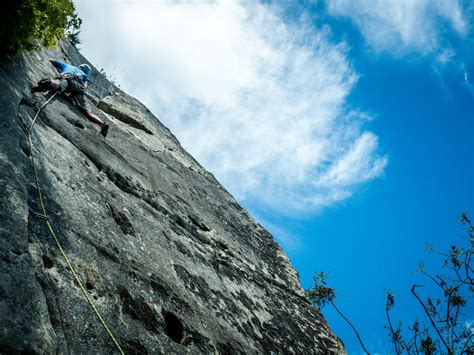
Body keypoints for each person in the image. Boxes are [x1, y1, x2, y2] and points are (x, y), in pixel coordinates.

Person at [32, 59, 109, 137]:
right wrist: (71, 96)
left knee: (59, 84)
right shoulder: (85, 77)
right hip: (79, 87)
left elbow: (52, 61)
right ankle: (102, 124)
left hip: (68, 77)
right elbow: (85, 86)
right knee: (86, 112)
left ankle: (49, 84)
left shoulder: (69, 66)